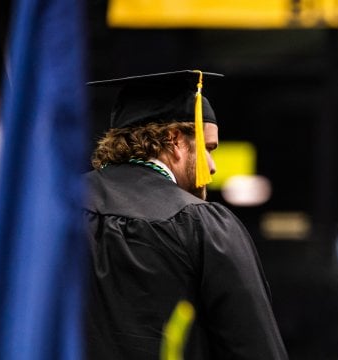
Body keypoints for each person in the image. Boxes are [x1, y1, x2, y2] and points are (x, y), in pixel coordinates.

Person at [84, 70, 288, 359]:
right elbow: (253, 349)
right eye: (207, 148)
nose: (212, 165)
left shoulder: (57, 212)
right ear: (174, 140)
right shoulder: (199, 224)